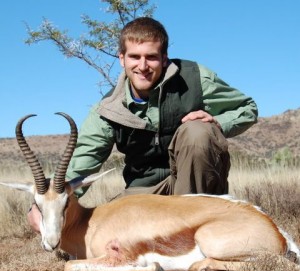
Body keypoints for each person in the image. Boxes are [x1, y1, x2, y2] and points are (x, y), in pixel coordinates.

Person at [28, 17, 258, 231]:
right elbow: (83, 160)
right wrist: (45, 203)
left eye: (152, 57)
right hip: (145, 191)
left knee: (198, 130)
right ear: (122, 58)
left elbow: (247, 109)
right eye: (135, 57)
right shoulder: (109, 108)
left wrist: (217, 122)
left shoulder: (196, 79)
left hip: (194, 187)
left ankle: (195, 229)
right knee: (110, 234)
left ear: (164, 58)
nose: (143, 65)